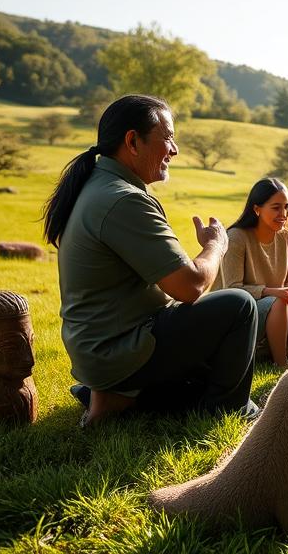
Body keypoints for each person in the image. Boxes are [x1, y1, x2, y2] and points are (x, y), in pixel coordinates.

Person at [44, 94, 259, 426]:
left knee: (208, 369)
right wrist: (217, 246)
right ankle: (229, 411)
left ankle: (117, 398)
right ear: (133, 141)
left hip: (101, 349)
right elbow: (189, 286)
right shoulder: (122, 200)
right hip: (118, 349)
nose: (174, 149)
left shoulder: (101, 186)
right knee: (240, 305)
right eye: (168, 137)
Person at [216, 178, 288, 368]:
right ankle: (281, 363)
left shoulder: (286, 237)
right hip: (238, 311)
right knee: (280, 301)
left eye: (287, 207)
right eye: (276, 207)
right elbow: (233, 288)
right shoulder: (237, 237)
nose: (283, 214)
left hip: (275, 302)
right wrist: (275, 292)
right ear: (256, 209)